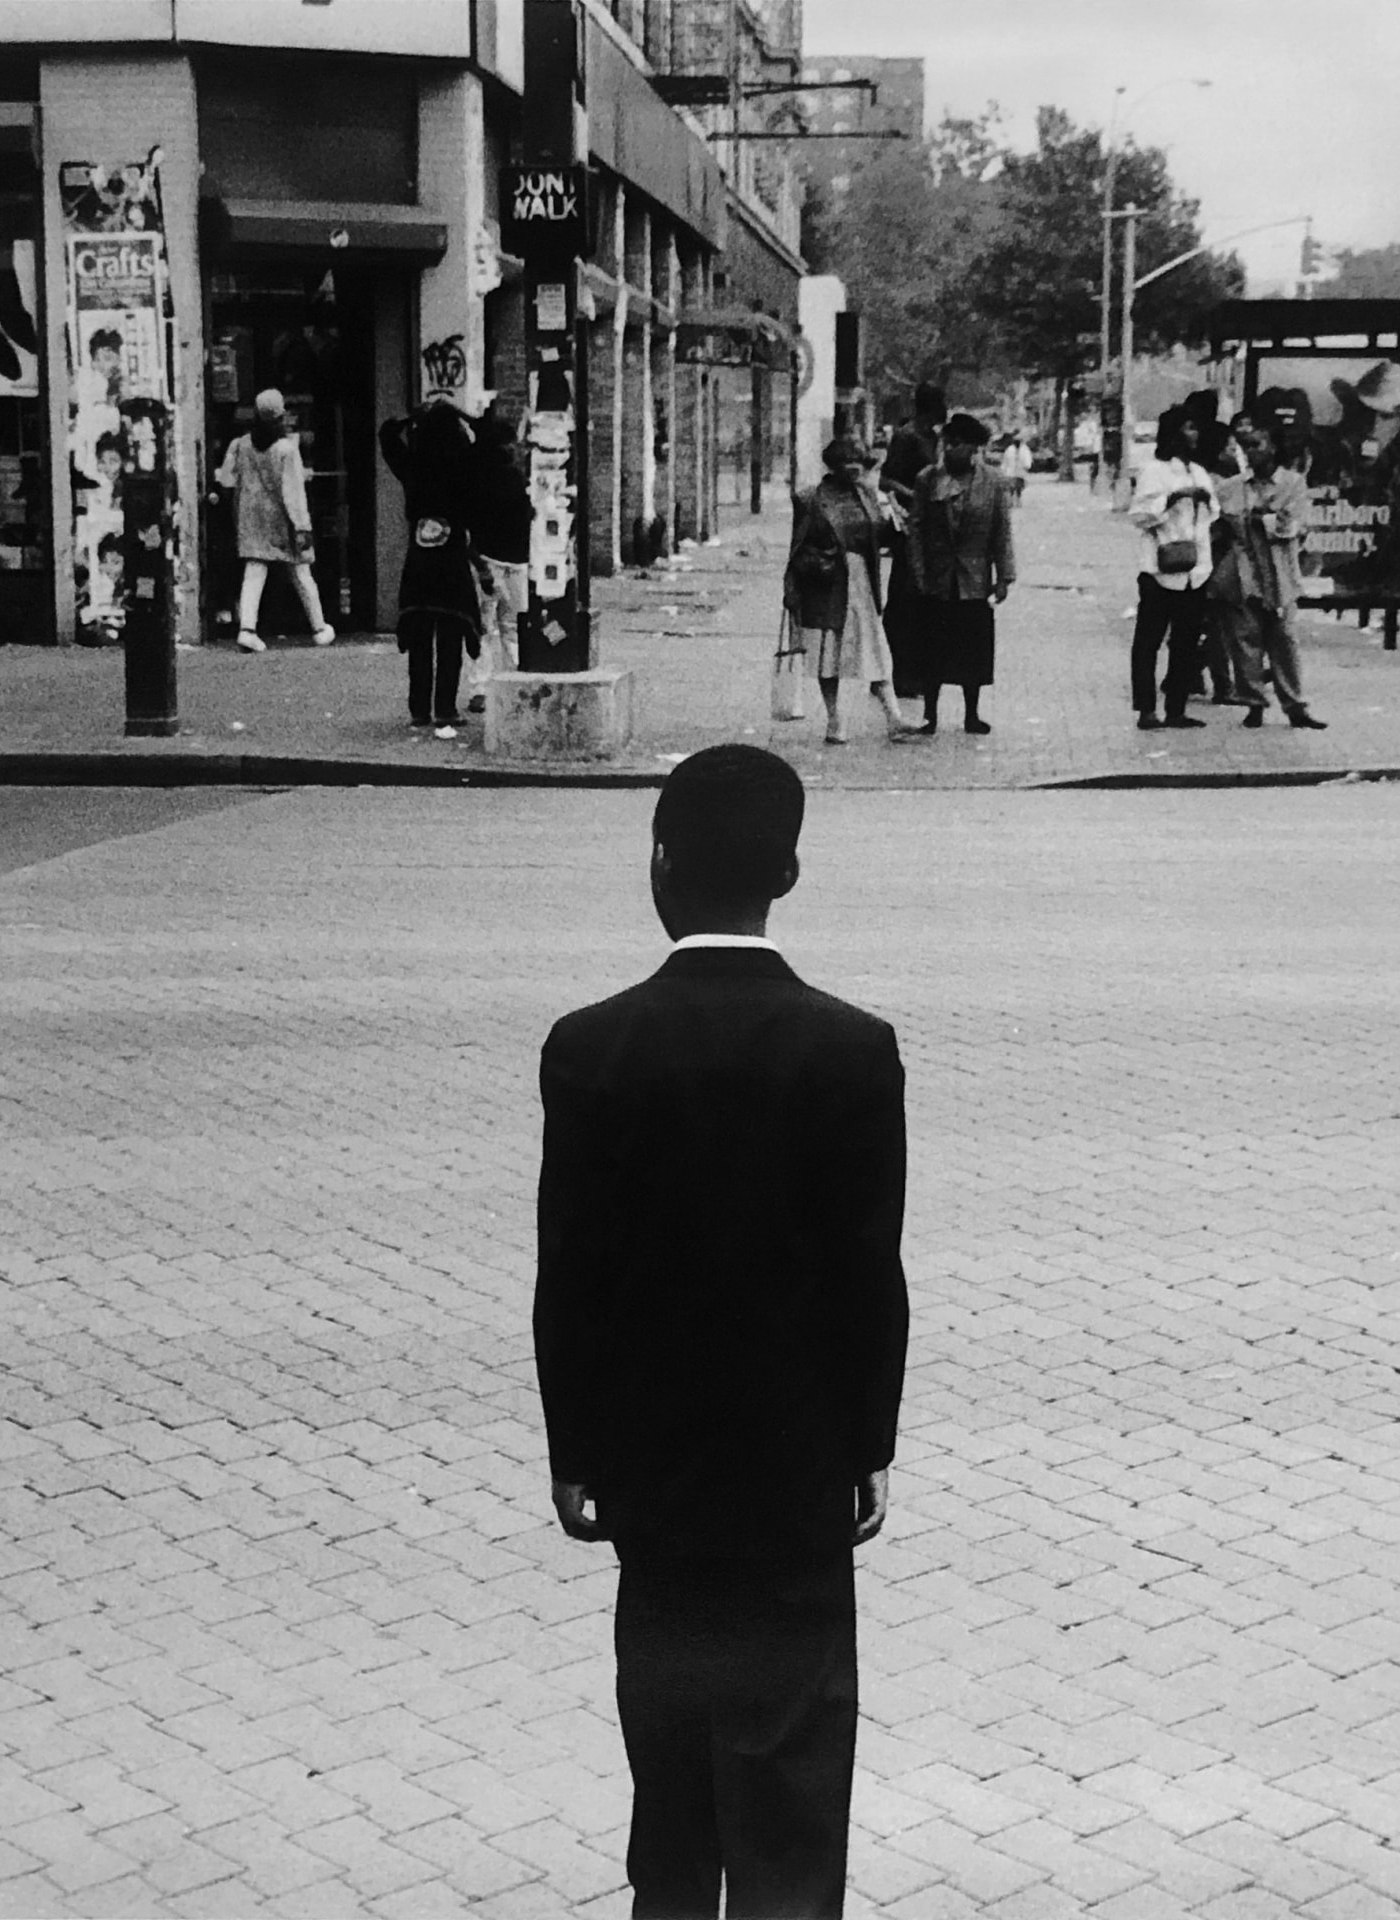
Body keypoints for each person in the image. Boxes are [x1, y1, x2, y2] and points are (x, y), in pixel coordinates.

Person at [534, 743, 908, 1920]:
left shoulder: (592, 1047)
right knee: (793, 1791)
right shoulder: (851, 1049)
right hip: (795, 1478)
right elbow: (868, 1277)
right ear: (787, 873)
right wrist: (865, 1449)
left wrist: (576, 1453)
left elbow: (569, 1279)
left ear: (659, 865)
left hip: (655, 1480)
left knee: (673, 1788)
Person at [785, 435, 911, 746]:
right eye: (849, 464)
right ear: (834, 466)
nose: (856, 470)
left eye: (860, 464)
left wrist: (895, 523)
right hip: (826, 584)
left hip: (861, 582)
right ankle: (835, 718)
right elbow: (797, 547)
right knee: (829, 653)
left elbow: (881, 539)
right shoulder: (810, 498)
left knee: (875, 648)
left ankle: (893, 717)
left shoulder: (868, 495)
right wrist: (792, 589)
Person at [378, 398, 481, 735]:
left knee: (419, 638)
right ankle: (445, 708)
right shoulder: (463, 466)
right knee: (450, 637)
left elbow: (387, 436)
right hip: (451, 561)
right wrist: (460, 414)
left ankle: (419, 708)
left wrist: (411, 418)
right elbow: (490, 437)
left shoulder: (414, 466)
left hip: (420, 562)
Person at [908, 411, 1015, 736]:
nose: (956, 451)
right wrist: (919, 572)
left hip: (975, 578)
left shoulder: (993, 482)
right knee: (932, 648)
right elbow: (916, 529)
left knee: (974, 648)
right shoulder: (928, 479)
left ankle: (972, 713)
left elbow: (1002, 531)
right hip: (938, 578)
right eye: (951, 444)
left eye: (965, 447)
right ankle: (930, 715)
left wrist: (1004, 576)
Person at [213, 389, 336, 652]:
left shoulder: (240, 445)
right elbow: (293, 492)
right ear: (279, 417)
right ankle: (319, 627)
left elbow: (226, 480)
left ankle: (247, 629)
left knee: (254, 570)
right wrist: (302, 526)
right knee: (301, 572)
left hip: (249, 515)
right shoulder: (286, 449)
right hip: (281, 518)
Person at [1224, 421, 1327, 730]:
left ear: (1272, 448)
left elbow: (1289, 525)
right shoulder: (1235, 487)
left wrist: (1259, 518)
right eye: (1247, 447)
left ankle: (1294, 704)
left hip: (1280, 572)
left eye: (1257, 445)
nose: (1251, 452)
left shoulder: (1293, 484)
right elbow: (1227, 522)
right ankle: (1253, 702)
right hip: (1245, 572)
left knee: (1284, 640)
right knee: (1246, 640)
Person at [1124, 404, 1214, 732]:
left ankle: (1176, 708)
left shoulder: (1199, 471)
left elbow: (1211, 514)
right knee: (1148, 641)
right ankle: (1146, 709)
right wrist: (1173, 499)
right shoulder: (1156, 471)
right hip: (1159, 569)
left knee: (1186, 642)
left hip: (1196, 569)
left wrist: (1203, 498)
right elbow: (1139, 515)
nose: (1194, 434)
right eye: (1189, 427)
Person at [876, 383, 944, 717]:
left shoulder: (933, 437)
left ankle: (915, 669)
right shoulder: (907, 437)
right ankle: (895, 672)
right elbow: (885, 481)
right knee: (904, 598)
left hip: (929, 526)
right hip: (908, 526)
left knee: (921, 601)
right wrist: (914, 492)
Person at [466, 407, 535, 710]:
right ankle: (515, 680)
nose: (513, 449)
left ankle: (483, 687)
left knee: (485, 627)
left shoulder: (479, 478)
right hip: (510, 559)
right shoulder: (514, 478)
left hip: (490, 559)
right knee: (512, 625)